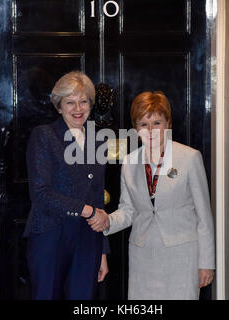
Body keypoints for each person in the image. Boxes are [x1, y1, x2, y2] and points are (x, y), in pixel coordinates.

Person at [89, 91, 215, 300]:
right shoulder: (129, 162)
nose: (150, 131)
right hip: (143, 257)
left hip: (182, 257)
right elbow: (128, 211)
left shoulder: (190, 158)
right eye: (143, 124)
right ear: (135, 128)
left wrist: (206, 263)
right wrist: (106, 222)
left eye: (157, 123)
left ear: (168, 124)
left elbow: (204, 217)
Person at [24, 70, 110, 300]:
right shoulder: (45, 135)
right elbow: (40, 193)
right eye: (70, 102)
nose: (78, 109)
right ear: (59, 106)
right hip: (51, 235)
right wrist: (87, 210)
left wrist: (102, 250)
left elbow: (98, 198)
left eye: (83, 101)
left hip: (88, 238)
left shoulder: (98, 140)